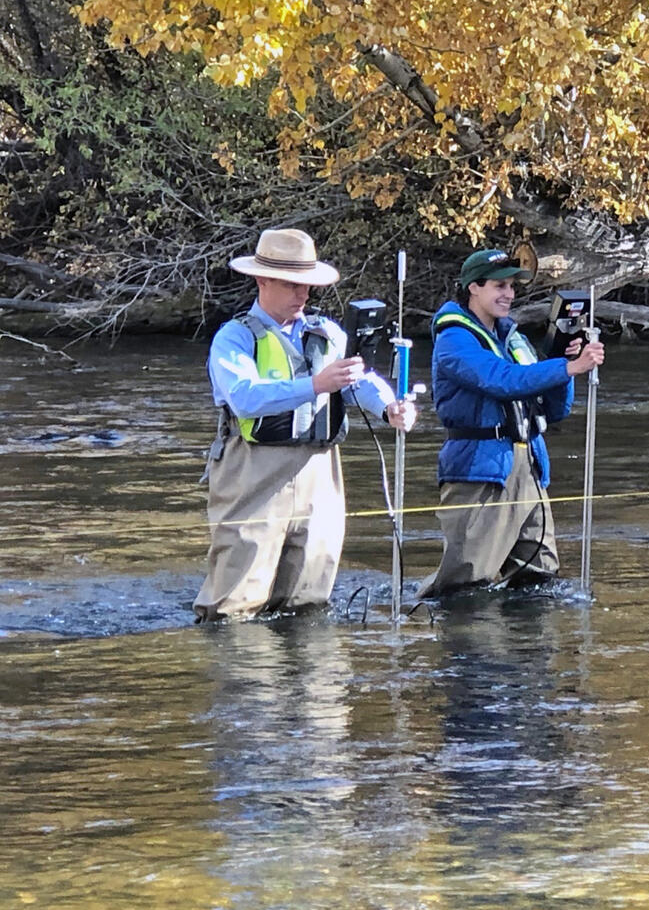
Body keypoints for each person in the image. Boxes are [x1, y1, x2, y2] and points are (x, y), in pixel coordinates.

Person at [194, 228, 417, 622]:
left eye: (308, 286)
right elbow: (245, 398)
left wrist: (389, 408)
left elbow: (359, 379)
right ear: (262, 281)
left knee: (309, 598)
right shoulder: (234, 338)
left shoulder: (326, 332)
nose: (304, 295)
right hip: (253, 473)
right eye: (293, 285)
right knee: (235, 600)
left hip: (320, 475)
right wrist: (317, 384)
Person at [416, 248, 605, 597]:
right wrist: (568, 367)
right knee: (468, 579)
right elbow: (499, 380)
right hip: (480, 468)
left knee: (539, 573)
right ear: (473, 287)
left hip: (528, 466)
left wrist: (564, 362)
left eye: (512, 287)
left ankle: (525, 650)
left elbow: (554, 410)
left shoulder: (512, 338)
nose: (509, 294)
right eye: (499, 286)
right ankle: (458, 638)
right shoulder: (453, 339)